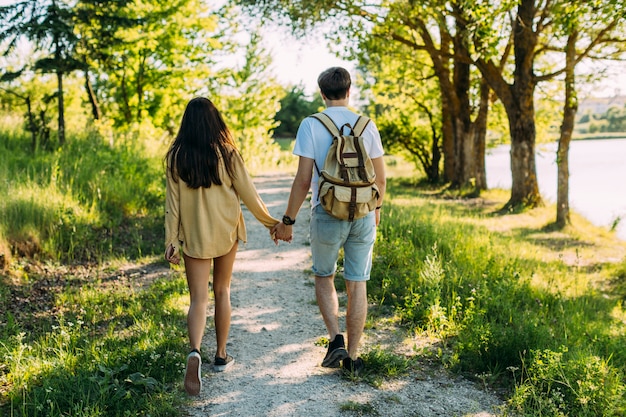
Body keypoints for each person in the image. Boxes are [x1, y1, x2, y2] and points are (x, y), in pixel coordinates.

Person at [272, 67, 386, 376]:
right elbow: (381, 179)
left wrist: (288, 220)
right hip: (363, 211)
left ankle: (335, 337)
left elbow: (302, 180)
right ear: (350, 91)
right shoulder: (367, 125)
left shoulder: (311, 124)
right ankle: (353, 355)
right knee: (357, 282)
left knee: (324, 275)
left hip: (327, 210)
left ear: (322, 93)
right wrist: (376, 210)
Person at [164, 97, 279, 396]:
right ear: (216, 121)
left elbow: (172, 205)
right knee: (222, 290)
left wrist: (171, 241)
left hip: (194, 234)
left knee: (198, 299)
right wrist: (272, 224)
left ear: (186, 123)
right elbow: (250, 195)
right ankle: (221, 354)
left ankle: (194, 351)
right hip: (226, 230)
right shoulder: (228, 154)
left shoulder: (176, 157)